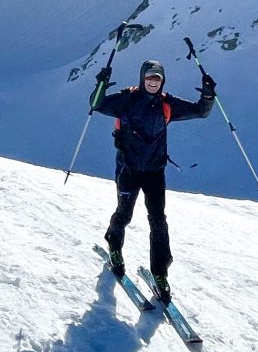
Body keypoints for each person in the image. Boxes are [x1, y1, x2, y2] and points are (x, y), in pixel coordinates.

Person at [92, 58, 215, 304]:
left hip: (154, 172)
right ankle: (114, 247)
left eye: (157, 78)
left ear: (162, 81)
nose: (152, 82)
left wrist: (208, 96)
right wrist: (101, 85)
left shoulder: (167, 103)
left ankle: (160, 273)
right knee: (124, 214)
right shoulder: (128, 99)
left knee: (158, 222)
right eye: (149, 78)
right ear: (142, 78)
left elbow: (200, 111)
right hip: (128, 169)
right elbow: (97, 105)